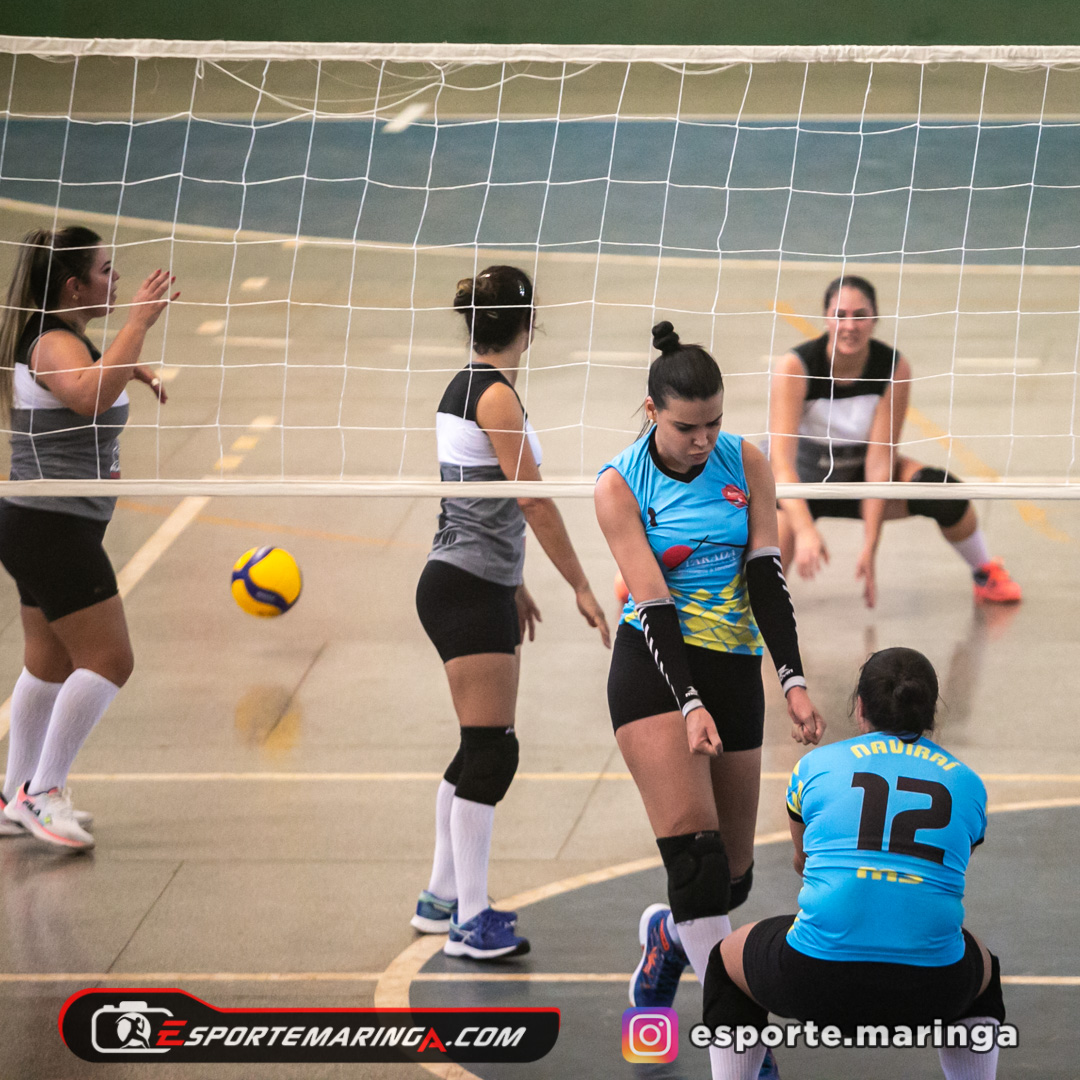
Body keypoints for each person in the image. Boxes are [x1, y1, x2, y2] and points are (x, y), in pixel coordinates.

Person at [594, 321, 825, 1026]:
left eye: (714, 422)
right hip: (655, 665)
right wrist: (689, 702)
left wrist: (792, 681)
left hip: (734, 664)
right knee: (695, 864)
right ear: (652, 411)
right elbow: (653, 604)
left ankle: (667, 938)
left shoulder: (746, 462)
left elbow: (765, 579)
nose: (703, 439)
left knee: (732, 878)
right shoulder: (619, 485)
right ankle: (741, 1038)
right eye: (687, 427)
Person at [413, 265, 610, 960]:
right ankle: (470, 921)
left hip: (470, 581)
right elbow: (530, 498)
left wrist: (514, 581)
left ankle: (441, 898)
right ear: (528, 325)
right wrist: (580, 585)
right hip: (467, 587)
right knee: (494, 752)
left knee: (479, 747)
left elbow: (478, 499)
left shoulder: (465, 387)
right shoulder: (494, 397)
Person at [703, 647, 1005, 1080]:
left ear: (860, 707)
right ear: (930, 713)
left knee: (725, 962)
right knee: (983, 971)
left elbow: (803, 863)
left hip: (815, 979)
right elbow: (945, 875)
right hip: (931, 990)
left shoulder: (815, 766)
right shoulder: (968, 784)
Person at [0, 226, 176, 850]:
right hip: (53, 527)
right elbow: (85, 397)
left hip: (38, 522)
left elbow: (88, 381)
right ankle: (42, 793)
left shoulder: (63, 338)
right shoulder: (53, 341)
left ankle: (13, 794)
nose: (116, 277)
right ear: (74, 286)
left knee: (48, 661)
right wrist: (138, 325)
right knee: (110, 660)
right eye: (105, 269)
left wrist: (126, 364)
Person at [770, 275, 1021, 608]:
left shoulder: (892, 367)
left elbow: (879, 462)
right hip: (800, 487)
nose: (850, 326)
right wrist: (804, 531)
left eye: (860, 316)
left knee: (944, 492)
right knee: (772, 551)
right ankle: (752, 606)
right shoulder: (796, 367)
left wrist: (870, 546)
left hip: (859, 480)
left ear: (875, 319)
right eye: (840, 315)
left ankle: (984, 572)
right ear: (826, 317)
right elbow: (781, 465)